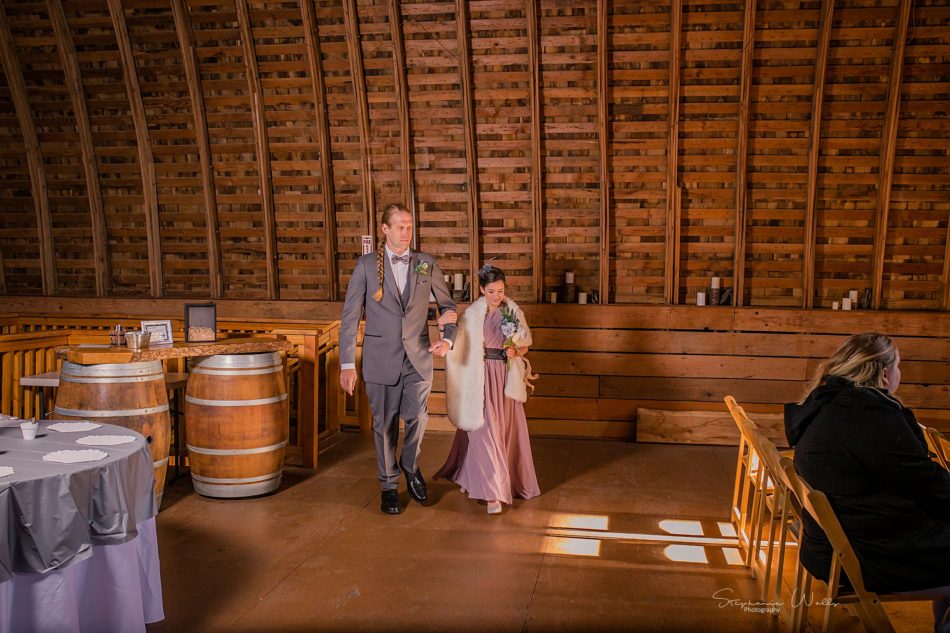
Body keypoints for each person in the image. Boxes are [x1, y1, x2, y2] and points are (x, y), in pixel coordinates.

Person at [784, 333, 950, 632]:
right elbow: (928, 484)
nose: (900, 373)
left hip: (831, 545)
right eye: (899, 366)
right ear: (885, 373)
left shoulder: (829, 402)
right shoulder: (870, 416)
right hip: (866, 556)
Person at [339, 204, 457, 515]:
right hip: (380, 359)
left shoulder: (426, 264)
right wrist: (347, 364)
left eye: (409, 226)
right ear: (385, 230)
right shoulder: (365, 266)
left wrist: (447, 338)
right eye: (400, 227)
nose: (406, 232)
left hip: (418, 358)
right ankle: (389, 486)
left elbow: (447, 307)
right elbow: (350, 317)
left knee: (418, 417)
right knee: (385, 426)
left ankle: (410, 463)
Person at [435, 264, 540, 515]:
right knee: (484, 432)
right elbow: (457, 344)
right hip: (479, 377)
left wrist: (516, 351)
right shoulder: (472, 315)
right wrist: (442, 334)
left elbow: (526, 344)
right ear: (482, 290)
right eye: (491, 291)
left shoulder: (513, 311)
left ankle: (484, 479)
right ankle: (493, 492)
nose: (497, 296)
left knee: (504, 431)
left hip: (504, 377)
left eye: (501, 291)